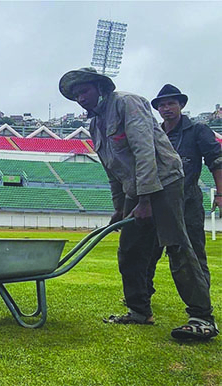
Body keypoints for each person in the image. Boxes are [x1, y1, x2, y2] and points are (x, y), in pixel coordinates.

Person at [58, 67, 218, 340]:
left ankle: (202, 318)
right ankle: (139, 311)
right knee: (130, 249)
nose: (80, 98)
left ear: (100, 87)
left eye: (83, 91)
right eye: (75, 95)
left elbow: (145, 151)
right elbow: (113, 169)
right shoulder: (96, 123)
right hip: (135, 187)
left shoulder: (127, 103)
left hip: (164, 181)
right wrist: (119, 207)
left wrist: (145, 200)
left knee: (177, 246)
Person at [145, 84, 222, 303]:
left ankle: (201, 303)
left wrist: (220, 194)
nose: (166, 108)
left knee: (192, 254)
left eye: (171, 103)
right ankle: (142, 298)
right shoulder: (155, 133)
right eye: (161, 105)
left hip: (187, 201)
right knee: (146, 253)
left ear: (181, 105)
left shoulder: (198, 130)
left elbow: (216, 161)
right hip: (156, 201)